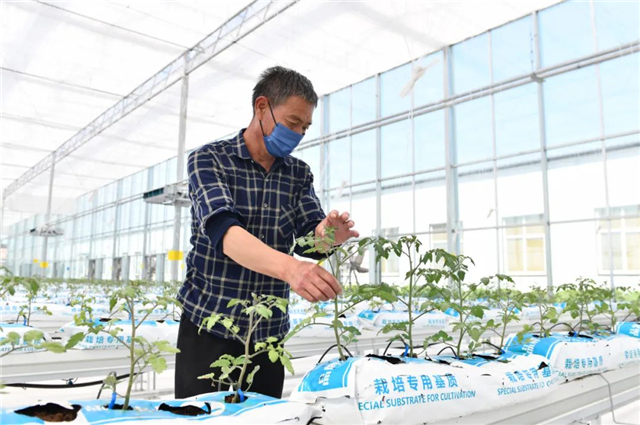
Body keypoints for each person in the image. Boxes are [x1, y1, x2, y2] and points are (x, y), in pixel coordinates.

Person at [175, 66, 358, 399]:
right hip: (209, 326)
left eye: (304, 127)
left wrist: (330, 236)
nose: (298, 134)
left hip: (268, 334)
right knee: (202, 417)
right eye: (292, 122)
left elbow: (308, 242)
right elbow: (224, 233)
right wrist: (292, 269)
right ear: (262, 107)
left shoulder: (298, 173)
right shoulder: (209, 160)